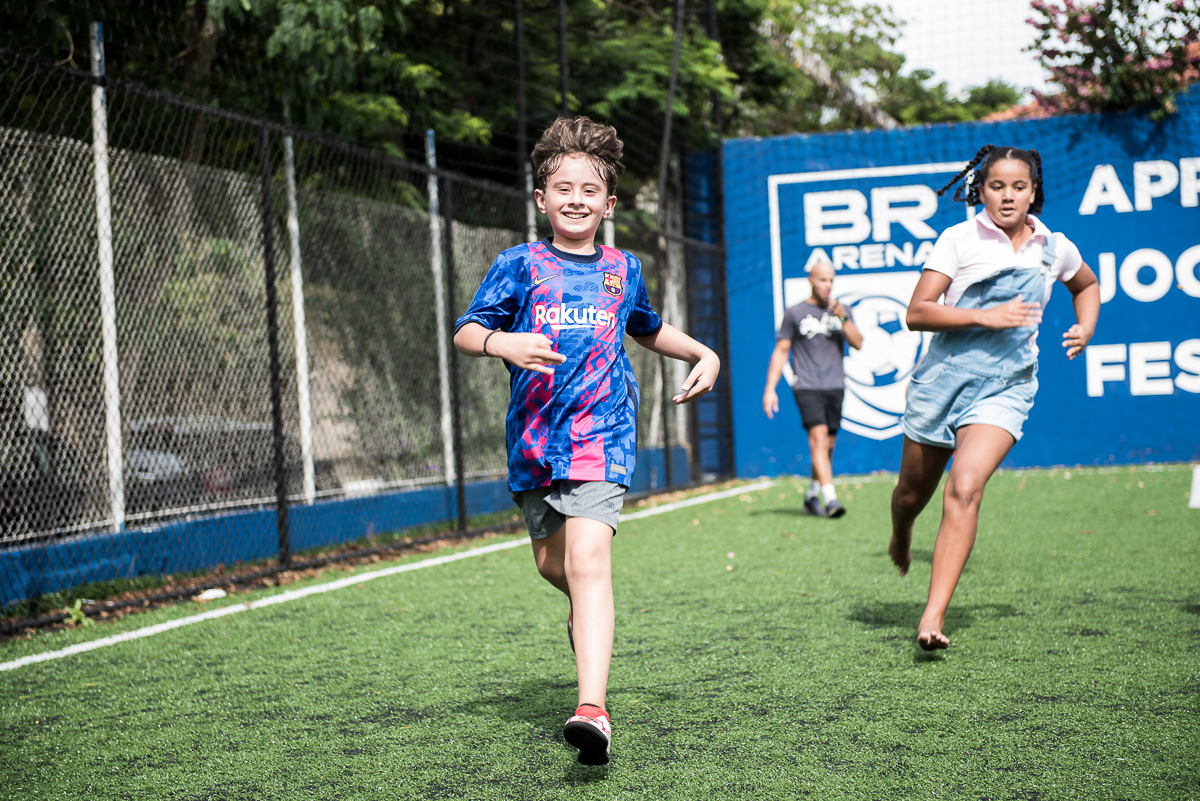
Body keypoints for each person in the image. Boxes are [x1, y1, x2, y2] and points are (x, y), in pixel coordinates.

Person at [453, 116, 720, 765]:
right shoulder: (519, 264)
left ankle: (592, 709)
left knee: (589, 561)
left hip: (604, 433)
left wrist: (701, 352)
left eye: (589, 188)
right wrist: (502, 341)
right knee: (558, 566)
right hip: (535, 443)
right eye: (562, 187)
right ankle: (589, 614)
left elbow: (647, 327)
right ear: (541, 198)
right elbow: (465, 330)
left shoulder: (624, 269)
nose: (576, 198)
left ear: (609, 202)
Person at [887, 144, 1100, 651]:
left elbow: (1086, 284)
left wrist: (1086, 326)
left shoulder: (1054, 246)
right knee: (912, 495)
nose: (1007, 196)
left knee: (964, 486)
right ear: (979, 190)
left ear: (1034, 191)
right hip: (942, 381)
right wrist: (985, 315)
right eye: (996, 186)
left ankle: (932, 617)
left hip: (1006, 386)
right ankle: (900, 533)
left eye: (1018, 186)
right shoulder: (958, 240)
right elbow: (917, 313)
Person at [762, 262, 862, 517]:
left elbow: (858, 343)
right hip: (807, 386)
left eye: (831, 280)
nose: (827, 285)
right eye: (822, 280)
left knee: (828, 446)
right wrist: (770, 388)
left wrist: (843, 316)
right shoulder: (795, 313)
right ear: (811, 280)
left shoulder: (842, 310)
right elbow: (781, 351)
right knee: (817, 440)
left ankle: (810, 495)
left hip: (835, 385)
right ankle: (831, 500)